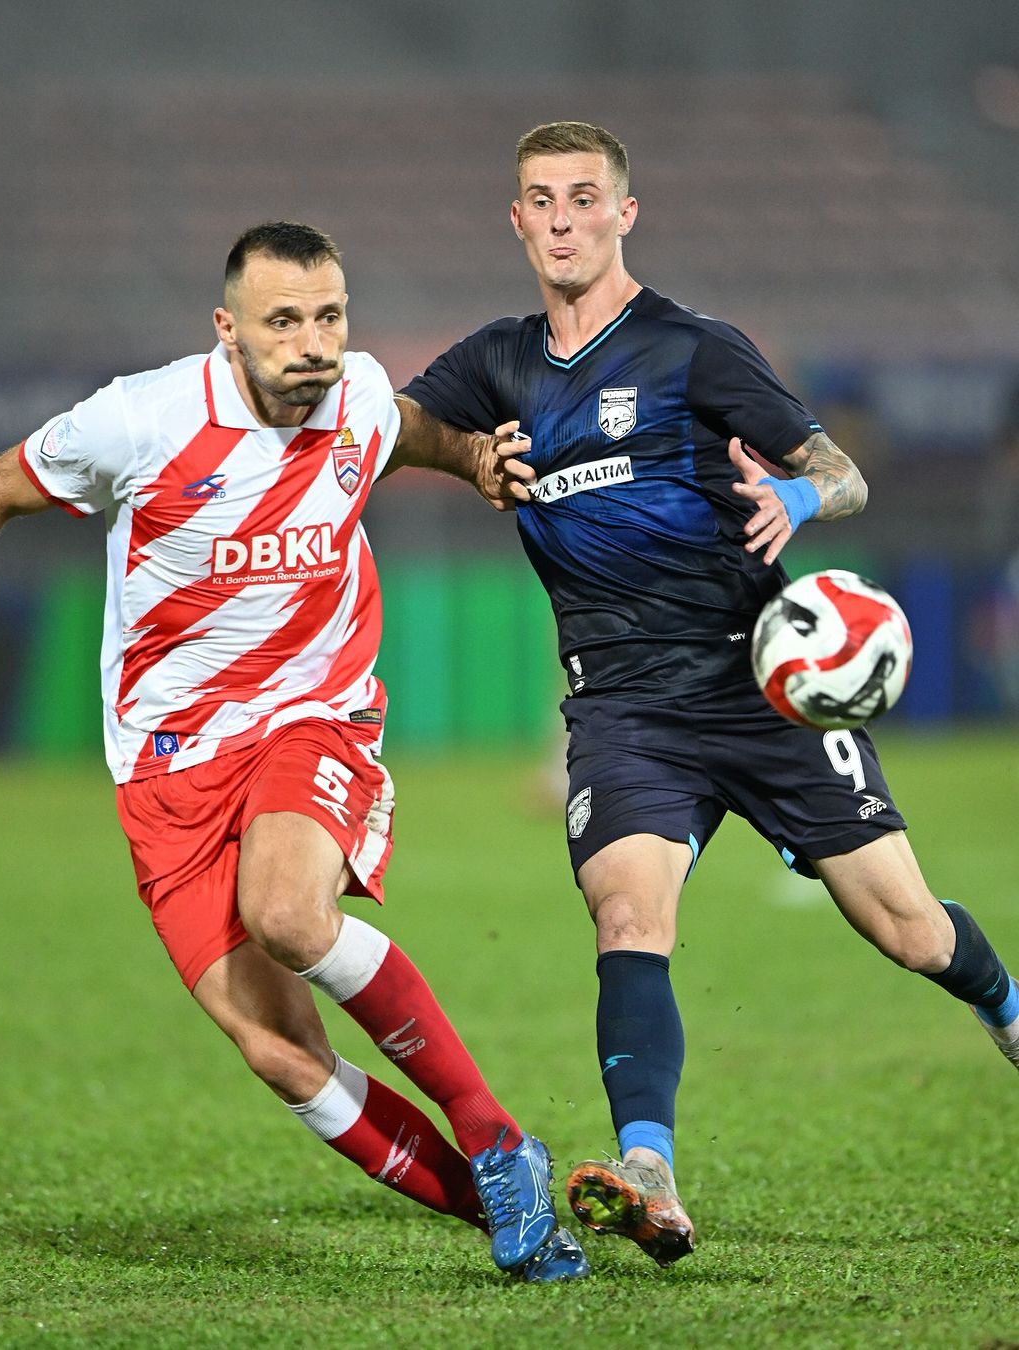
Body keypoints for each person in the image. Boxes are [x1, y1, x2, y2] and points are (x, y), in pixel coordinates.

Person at [399, 122, 1019, 1270]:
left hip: (760, 686)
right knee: (628, 920)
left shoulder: (693, 349)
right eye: (542, 200)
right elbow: (385, 430)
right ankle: (649, 1172)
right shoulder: (495, 360)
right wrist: (466, 456)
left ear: (625, 213)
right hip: (624, 708)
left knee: (909, 929)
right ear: (518, 219)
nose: (564, 220)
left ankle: (1009, 1008)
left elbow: (845, 471)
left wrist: (796, 488)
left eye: (586, 198)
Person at [0, 220, 589, 1284]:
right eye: (284, 321)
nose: (312, 343)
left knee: (288, 915)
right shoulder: (139, 422)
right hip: (165, 771)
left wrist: (474, 456)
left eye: (329, 315)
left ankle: (492, 1129)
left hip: (310, 714)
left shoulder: (359, 399)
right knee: (281, 1053)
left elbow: (406, 431)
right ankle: (509, 1216)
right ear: (226, 330)